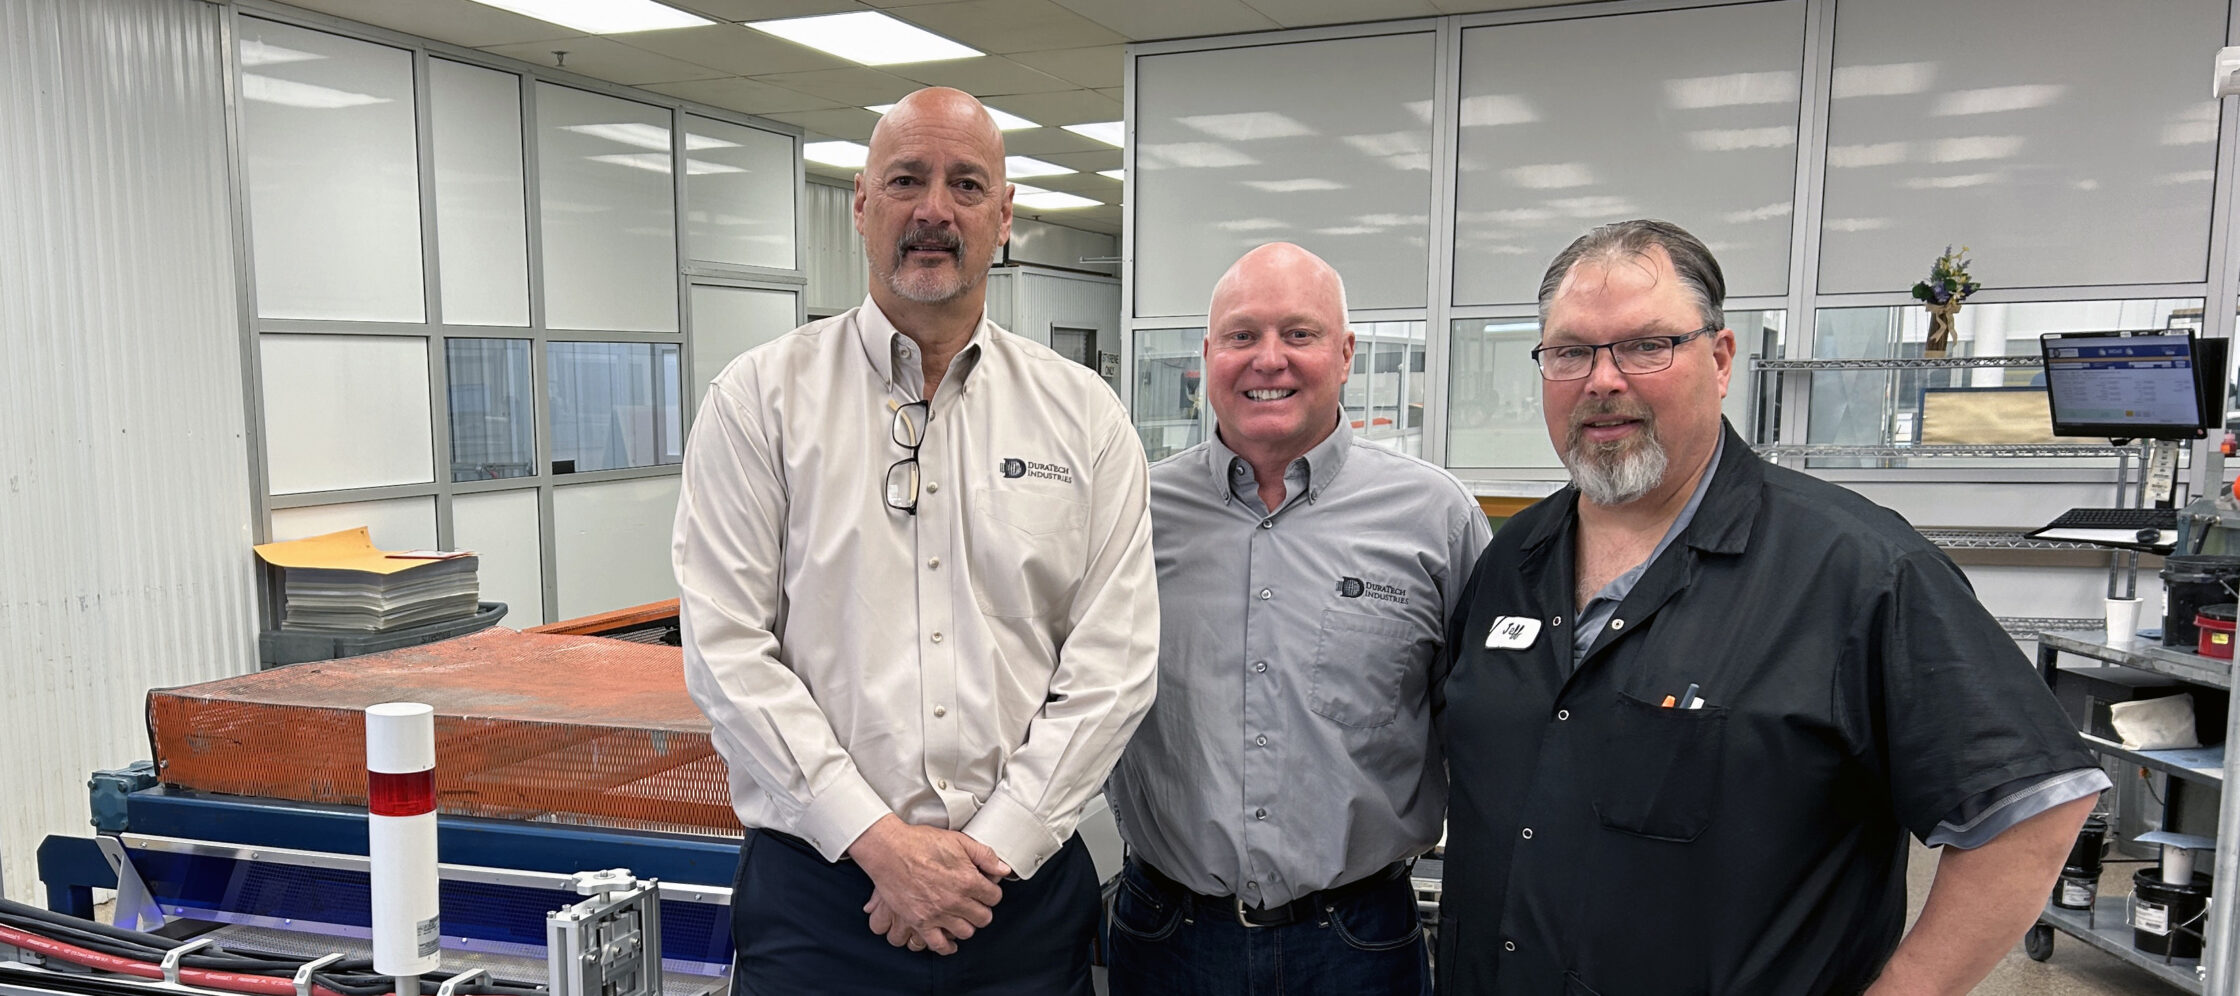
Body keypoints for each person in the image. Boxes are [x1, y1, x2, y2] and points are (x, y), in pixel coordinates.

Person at [1436, 219, 2108, 995]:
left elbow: (2030, 811)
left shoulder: (1857, 570)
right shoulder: (1512, 559)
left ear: (1721, 360)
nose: (1603, 380)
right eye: (1570, 352)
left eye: (1647, 345)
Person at [672, 86, 1159, 996]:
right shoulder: (760, 401)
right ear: (862, 205)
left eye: (966, 184)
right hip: (820, 899)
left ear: (1003, 217)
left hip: (1015, 900)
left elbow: (1115, 662)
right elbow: (726, 647)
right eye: (906, 180)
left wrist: (992, 847)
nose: (934, 208)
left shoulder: (1084, 416)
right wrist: (875, 841)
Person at [1106, 243, 1491, 995]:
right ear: (1208, 356)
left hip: (1357, 944)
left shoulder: (1435, 518)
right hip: (1168, 938)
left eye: (1299, 334)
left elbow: (1482, 732)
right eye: (1242, 335)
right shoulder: (1132, 514)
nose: (1269, 359)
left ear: (1346, 355)